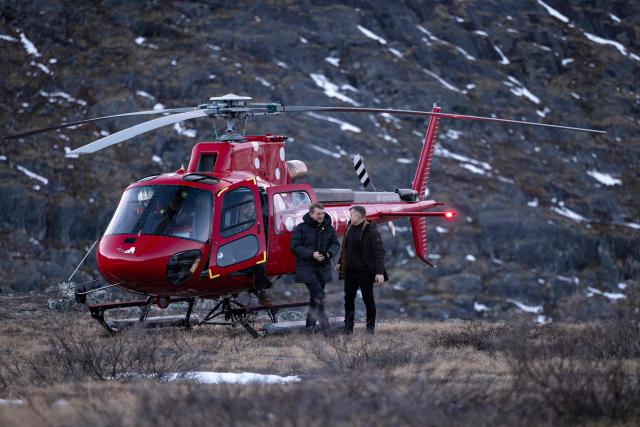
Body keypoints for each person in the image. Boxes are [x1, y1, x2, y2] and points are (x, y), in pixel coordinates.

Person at [335, 205, 387, 334]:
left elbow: (379, 252)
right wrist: (340, 262)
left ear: (358, 216)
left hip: (365, 272)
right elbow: (346, 247)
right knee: (348, 300)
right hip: (350, 272)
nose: (349, 216)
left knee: (368, 300)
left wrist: (379, 272)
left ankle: (370, 330)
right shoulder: (350, 226)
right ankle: (348, 329)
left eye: (351, 214)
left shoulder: (371, 230)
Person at [290, 202, 339, 335]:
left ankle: (309, 328)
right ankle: (327, 330)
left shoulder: (329, 228)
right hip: (307, 269)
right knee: (319, 296)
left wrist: (329, 253)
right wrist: (311, 254)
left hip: (322, 268)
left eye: (323, 213)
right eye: (318, 214)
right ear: (311, 214)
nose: (321, 216)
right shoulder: (300, 228)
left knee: (314, 298)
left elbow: (335, 244)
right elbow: (294, 247)